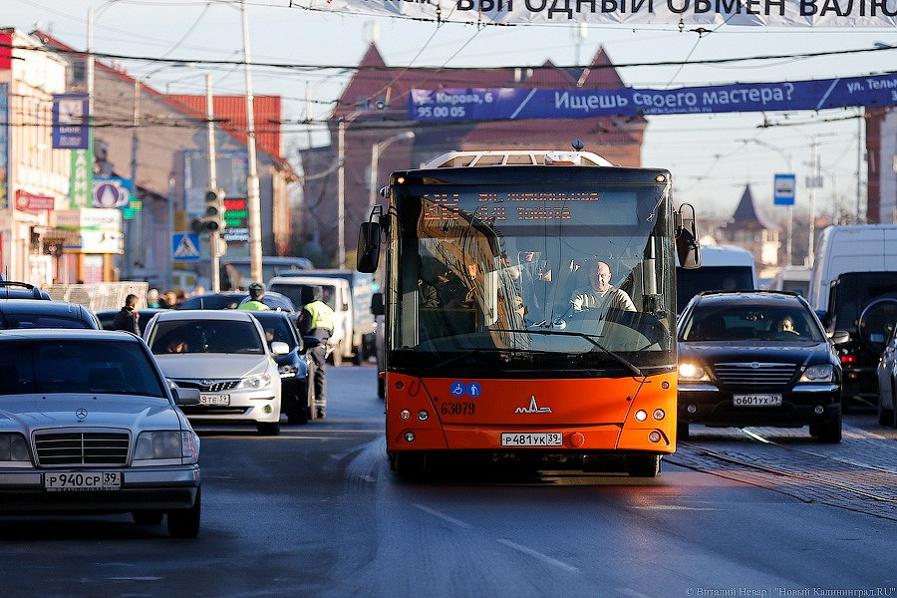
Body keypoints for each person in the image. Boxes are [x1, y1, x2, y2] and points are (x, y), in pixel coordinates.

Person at [298, 286, 335, 418]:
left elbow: (304, 329)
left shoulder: (309, 308)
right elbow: (331, 331)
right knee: (320, 377)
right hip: (323, 347)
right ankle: (321, 410)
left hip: (310, 347)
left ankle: (309, 408)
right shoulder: (328, 309)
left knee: (309, 378)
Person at [570, 261, 636, 314]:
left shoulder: (619, 295)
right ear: (589, 276)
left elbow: (632, 318)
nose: (599, 279)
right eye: (595, 276)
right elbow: (573, 313)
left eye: (603, 276)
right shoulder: (579, 294)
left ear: (609, 277)